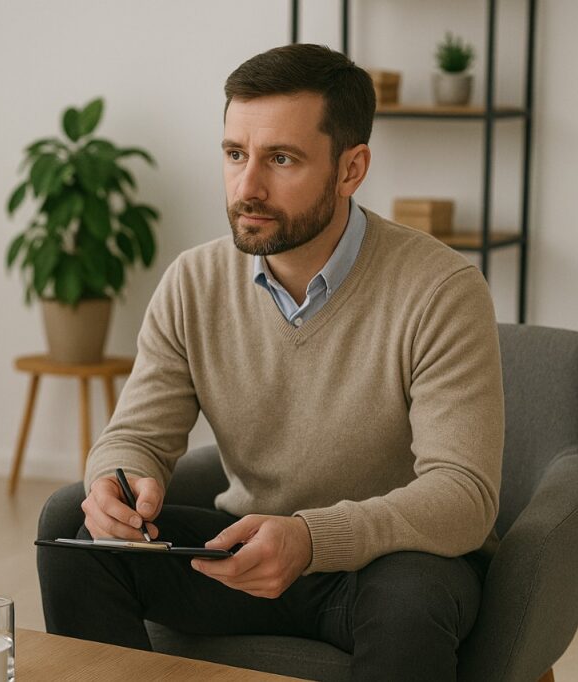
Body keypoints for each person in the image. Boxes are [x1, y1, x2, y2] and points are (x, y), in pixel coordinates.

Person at [37, 43, 504, 681]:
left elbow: (464, 496)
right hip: (245, 555)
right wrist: (117, 483)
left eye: (281, 159)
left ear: (351, 168)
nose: (247, 187)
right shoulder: (193, 281)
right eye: (235, 154)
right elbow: (136, 435)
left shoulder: (442, 290)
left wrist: (312, 538)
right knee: (70, 522)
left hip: (386, 565)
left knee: (410, 602)